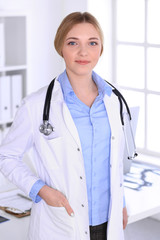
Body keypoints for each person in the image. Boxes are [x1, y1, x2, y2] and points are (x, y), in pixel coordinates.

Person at [0, 12, 128, 240]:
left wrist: (122, 202)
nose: (83, 52)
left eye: (92, 43)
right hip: (61, 224)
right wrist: (41, 190)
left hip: (109, 222)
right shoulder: (36, 105)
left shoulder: (113, 100)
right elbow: (6, 156)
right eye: (72, 43)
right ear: (61, 47)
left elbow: (113, 161)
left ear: (101, 49)